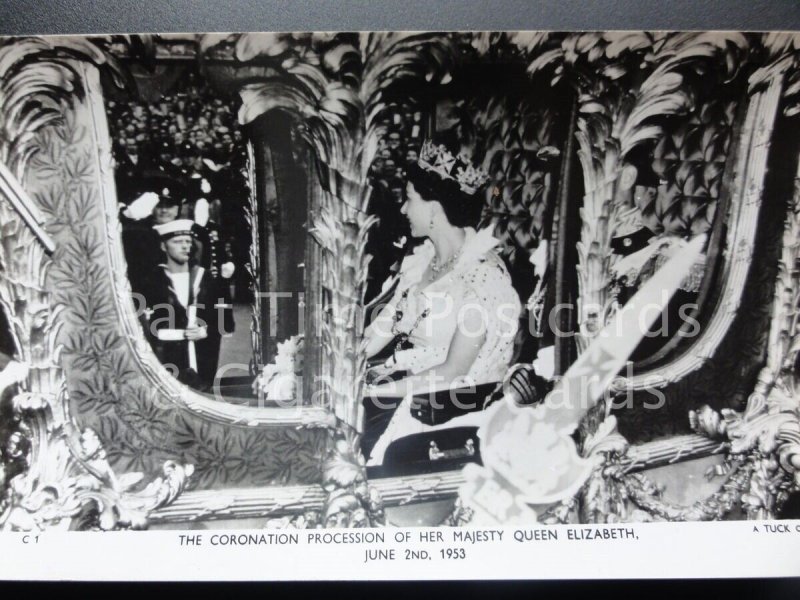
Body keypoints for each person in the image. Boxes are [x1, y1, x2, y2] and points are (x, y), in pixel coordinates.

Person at [361, 139, 521, 469]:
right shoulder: (423, 263)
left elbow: (453, 372)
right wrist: (347, 359)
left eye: (409, 199)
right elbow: (386, 325)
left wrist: (373, 393)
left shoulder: (483, 278)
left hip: (442, 414)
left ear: (434, 210)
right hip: (396, 389)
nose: (403, 209)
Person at [140, 219, 232, 391]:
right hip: (164, 360)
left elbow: (224, 322)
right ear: (163, 246)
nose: (185, 246)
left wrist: (204, 331)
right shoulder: (151, 281)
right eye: (177, 242)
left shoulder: (204, 279)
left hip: (199, 361)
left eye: (188, 241)